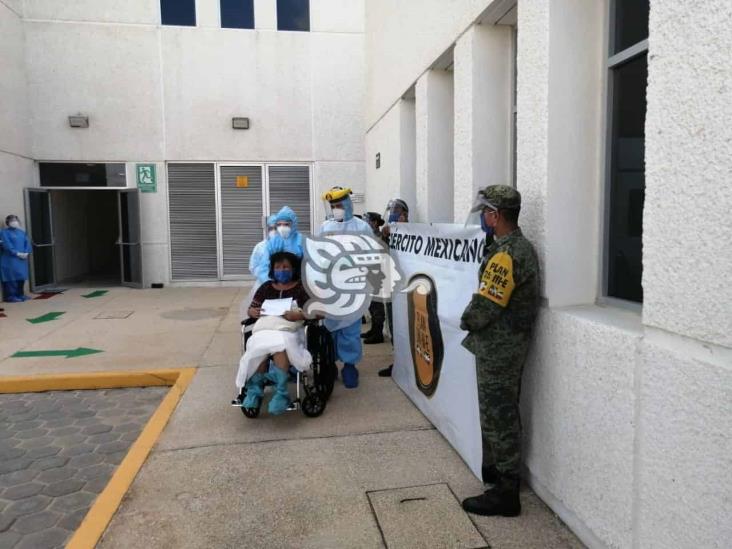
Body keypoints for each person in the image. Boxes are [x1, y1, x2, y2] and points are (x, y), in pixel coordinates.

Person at [459, 185, 539, 517]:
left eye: (485, 214)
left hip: (499, 351)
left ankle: (507, 492)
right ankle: (496, 476)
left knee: (500, 416)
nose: (483, 219)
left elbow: (486, 305)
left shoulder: (507, 253)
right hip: (504, 348)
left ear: (496, 216)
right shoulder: (513, 248)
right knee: (497, 413)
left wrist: (463, 319)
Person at [236, 252, 312, 415]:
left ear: (294, 269)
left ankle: (281, 392)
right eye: (278, 267)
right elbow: (252, 307)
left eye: (285, 267)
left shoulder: (301, 288)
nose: (281, 270)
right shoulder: (266, 287)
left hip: (289, 330)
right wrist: (252, 311)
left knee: (279, 346)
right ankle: (255, 391)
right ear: (272, 269)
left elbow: (318, 312)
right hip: (264, 329)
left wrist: (298, 315)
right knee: (259, 347)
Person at [317, 187, 372, 388]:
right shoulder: (325, 227)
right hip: (331, 287)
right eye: (333, 206)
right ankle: (330, 364)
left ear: (348, 203)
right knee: (330, 329)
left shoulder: (362, 227)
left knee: (351, 330)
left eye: (339, 204)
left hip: (353, 287)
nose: (336, 209)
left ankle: (350, 365)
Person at [377, 199, 410, 376]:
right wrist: (385, 236)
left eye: (397, 210)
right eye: (391, 210)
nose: (393, 213)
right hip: (392, 289)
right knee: (395, 327)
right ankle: (398, 362)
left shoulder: (413, 235)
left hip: (407, 290)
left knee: (406, 327)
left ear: (405, 214)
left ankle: (408, 364)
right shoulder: (389, 233)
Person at [361, 212, 386, 344]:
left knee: (377, 306)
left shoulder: (380, 237)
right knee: (370, 304)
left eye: (368, 221)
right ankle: (373, 330)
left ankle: (378, 334)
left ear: (375, 223)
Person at [0, 215, 32, 303]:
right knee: (11, 277)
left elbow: (27, 242)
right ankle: (10, 296)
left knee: (21, 276)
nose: (14, 222)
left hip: (22, 259)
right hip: (10, 259)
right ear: (8, 222)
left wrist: (26, 252)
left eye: (16, 220)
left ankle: (20, 294)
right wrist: (16, 253)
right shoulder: (4, 232)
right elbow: (7, 244)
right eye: (12, 220)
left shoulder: (22, 232)